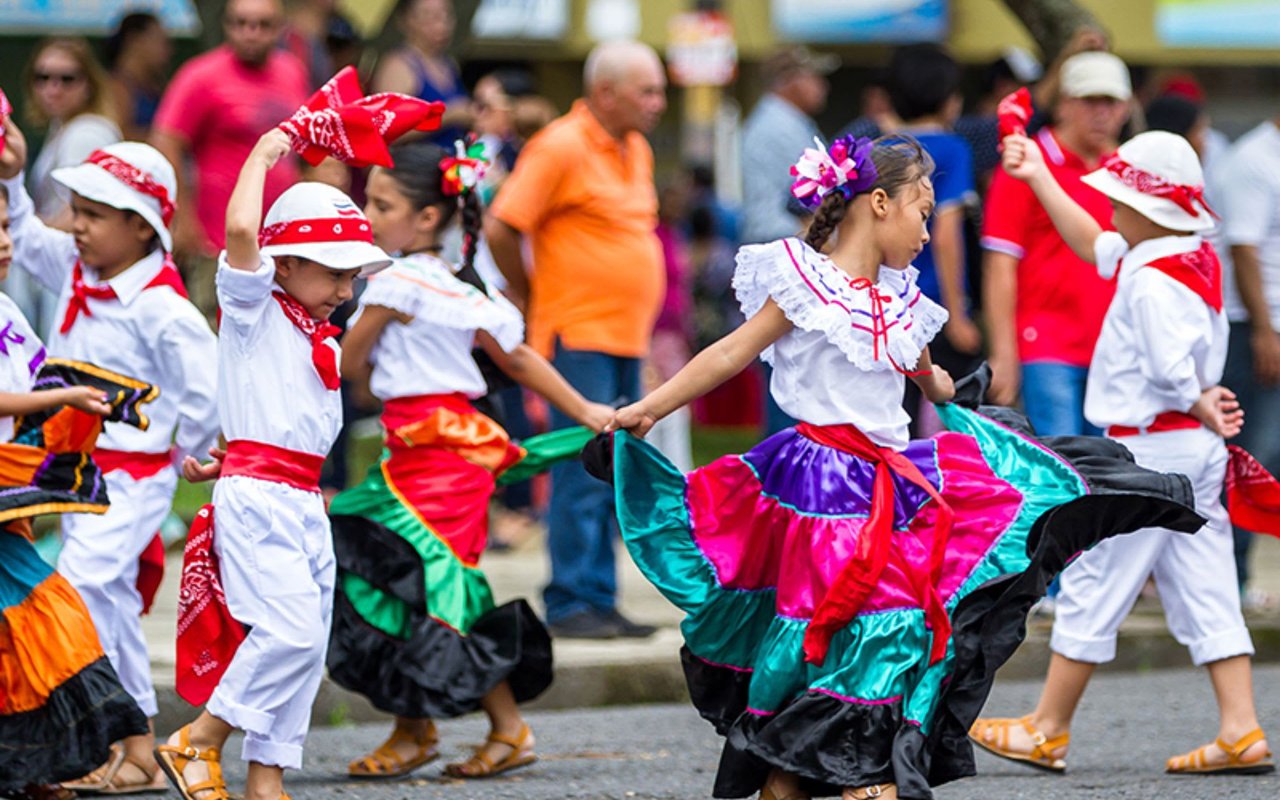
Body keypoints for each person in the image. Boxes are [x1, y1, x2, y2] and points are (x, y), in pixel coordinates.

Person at [593, 134, 1204, 800]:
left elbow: (925, 377)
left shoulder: (901, 300)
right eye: (923, 211)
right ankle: (828, 774)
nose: (928, 232)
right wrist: (648, 409)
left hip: (890, 484)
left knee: (890, 627)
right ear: (879, 203)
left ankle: (832, 774)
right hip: (820, 491)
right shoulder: (804, 281)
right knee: (834, 630)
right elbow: (728, 353)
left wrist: (960, 398)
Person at [972, 129, 1274, 777]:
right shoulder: (1186, 254)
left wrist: (1196, 398)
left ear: (1147, 210)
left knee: (1095, 575)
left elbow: (1168, 366)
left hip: (1151, 450)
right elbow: (1094, 243)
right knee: (1208, 583)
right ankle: (1240, 728)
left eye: (1118, 200)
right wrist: (1039, 175)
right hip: (1191, 451)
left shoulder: (1149, 281)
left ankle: (1047, 728)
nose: (1109, 208)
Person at [328, 142, 612, 780]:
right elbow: (516, 358)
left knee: (431, 580)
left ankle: (505, 729)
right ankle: (416, 728)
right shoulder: (454, 288)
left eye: (382, 205)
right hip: (426, 449)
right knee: (397, 574)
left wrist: (587, 411)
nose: (368, 216)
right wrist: (585, 410)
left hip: (439, 457)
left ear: (427, 217)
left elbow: (349, 364)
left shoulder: (400, 281)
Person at [155, 129, 391, 800]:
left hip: (300, 497)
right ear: (281, 265)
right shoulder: (252, 309)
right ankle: (199, 739)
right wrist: (266, 153)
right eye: (333, 271)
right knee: (286, 632)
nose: (346, 287)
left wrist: (234, 451)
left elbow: (282, 420)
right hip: (261, 501)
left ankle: (267, 777)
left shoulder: (318, 336)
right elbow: (239, 232)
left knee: (307, 642)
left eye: (352, 274)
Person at [0, 121, 219, 793]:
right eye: (76, 210)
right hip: (71, 477)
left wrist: (194, 459)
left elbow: (206, 395)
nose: (75, 226)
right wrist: (12, 174)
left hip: (133, 477)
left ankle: (106, 736)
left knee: (80, 586)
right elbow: (21, 234)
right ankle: (136, 742)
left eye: (93, 215)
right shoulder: (75, 267)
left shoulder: (164, 310)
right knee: (107, 598)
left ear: (143, 228)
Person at [485, 40, 667, 640]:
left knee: (616, 470)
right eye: (647, 91)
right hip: (577, 332)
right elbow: (502, 224)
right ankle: (569, 600)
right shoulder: (560, 145)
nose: (658, 102)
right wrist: (528, 295)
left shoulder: (636, 147)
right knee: (582, 468)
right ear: (605, 93)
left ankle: (599, 596)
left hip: (624, 337)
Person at [0, 176, 152, 800]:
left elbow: (43, 378)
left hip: (9, 495)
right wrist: (64, 396)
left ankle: (29, 770)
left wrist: (96, 396)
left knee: (23, 631)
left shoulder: (7, 311)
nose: (4, 242)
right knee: (50, 614)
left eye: (4, 228)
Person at [982, 51, 1131, 436]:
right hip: (1046, 345)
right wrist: (1003, 353)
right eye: (1089, 100)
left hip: (1116, 351)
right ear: (1063, 103)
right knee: (1060, 463)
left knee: (1111, 466)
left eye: (1111, 102)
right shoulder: (1024, 162)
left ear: (1127, 107)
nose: (1101, 113)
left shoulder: (1128, 169)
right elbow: (1000, 263)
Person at [151, 0, 309, 309]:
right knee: (216, 326)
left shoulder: (291, 70)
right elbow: (166, 142)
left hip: (281, 243)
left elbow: (304, 139)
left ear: (280, 29)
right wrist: (182, 218)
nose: (251, 33)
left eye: (263, 25)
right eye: (241, 23)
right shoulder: (201, 75)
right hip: (217, 242)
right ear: (227, 26)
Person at [881, 44, 981, 436]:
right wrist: (958, 314)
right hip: (934, 301)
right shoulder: (952, 150)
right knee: (954, 410)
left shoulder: (882, 150)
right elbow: (946, 234)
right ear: (950, 101)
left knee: (895, 409)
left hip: (885, 298)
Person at [1216, 114, 1280, 610]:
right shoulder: (1253, 160)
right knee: (1253, 457)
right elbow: (1243, 249)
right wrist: (1263, 330)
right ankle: (1228, 579)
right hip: (1257, 331)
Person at [740, 46, 837, 247]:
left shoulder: (787, 120)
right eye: (814, 77)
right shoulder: (778, 126)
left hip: (783, 240)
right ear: (791, 80)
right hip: (779, 242)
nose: (824, 86)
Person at [23, 38, 121, 229]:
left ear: (89, 85)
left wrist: (28, 234)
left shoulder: (87, 133)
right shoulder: (61, 126)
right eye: (43, 77)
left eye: (67, 79)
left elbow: (79, 214)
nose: (53, 89)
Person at [371, 0, 470, 146]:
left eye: (446, 15)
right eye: (430, 16)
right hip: (414, 158)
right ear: (406, 21)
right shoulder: (398, 66)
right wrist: (449, 116)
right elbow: (386, 129)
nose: (441, 24)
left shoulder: (448, 64)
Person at [104, 12, 173, 141]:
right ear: (135, 40)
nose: (168, 50)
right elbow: (118, 135)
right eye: (161, 42)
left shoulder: (156, 85)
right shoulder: (116, 88)